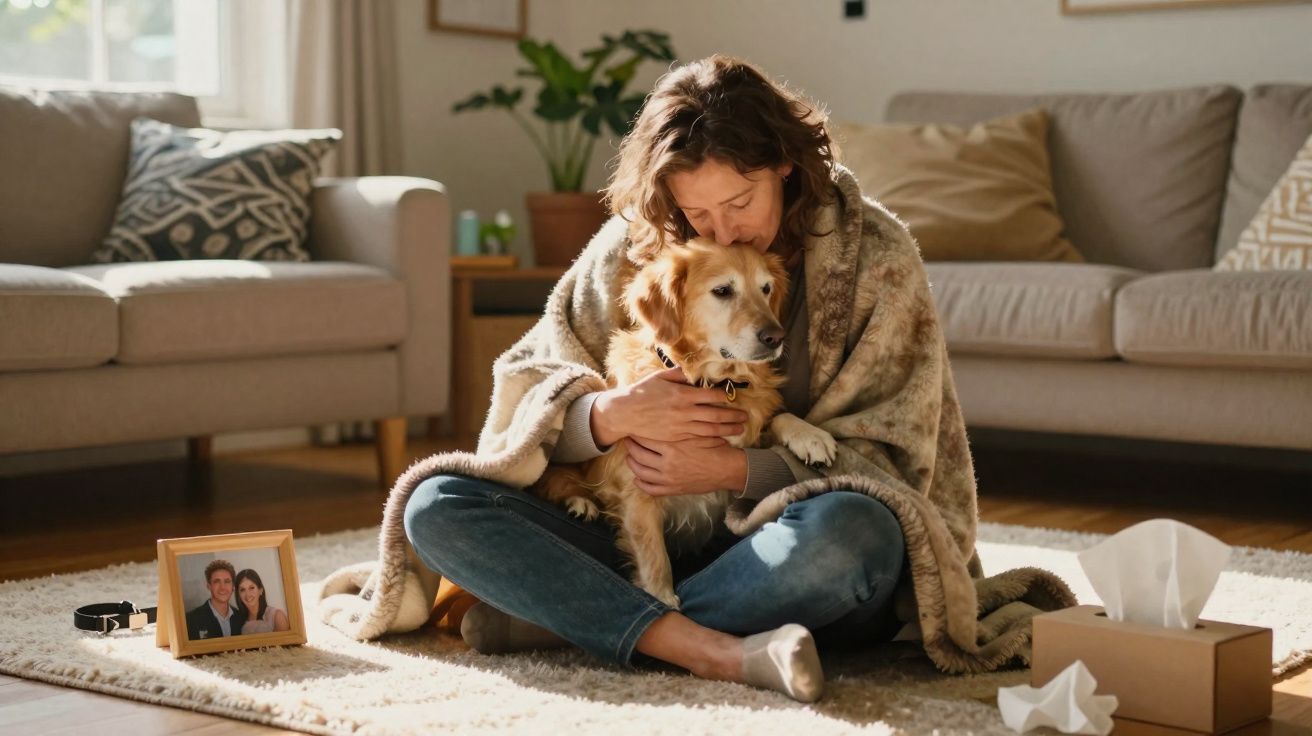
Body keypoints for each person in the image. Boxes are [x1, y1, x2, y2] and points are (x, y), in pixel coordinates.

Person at [403, 55, 964, 702]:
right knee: (437, 504)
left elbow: (898, 463)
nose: (722, 229)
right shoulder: (638, 246)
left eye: (740, 201)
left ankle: (574, 619)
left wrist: (731, 473)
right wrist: (606, 417)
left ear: (785, 162)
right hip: (635, 534)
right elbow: (525, 402)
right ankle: (706, 647)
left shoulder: (878, 258)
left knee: (856, 542)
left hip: (775, 549)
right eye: (698, 214)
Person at [186, 559, 242, 640]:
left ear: (233, 586)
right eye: (217, 581)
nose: (222, 587)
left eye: (227, 581)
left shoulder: (241, 618)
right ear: (209, 586)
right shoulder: (191, 620)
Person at [235, 568, 291, 635]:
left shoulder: (277, 616)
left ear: (260, 590)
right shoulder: (237, 621)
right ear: (238, 595)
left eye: (251, 588)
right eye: (242, 590)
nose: (248, 594)